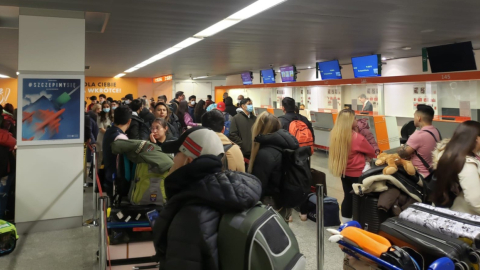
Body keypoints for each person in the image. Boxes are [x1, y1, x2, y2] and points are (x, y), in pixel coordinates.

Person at [152, 127, 261, 270]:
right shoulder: (229, 195)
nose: (173, 160)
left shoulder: (189, 216)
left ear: (188, 160)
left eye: (176, 154)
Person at [248, 112, 299, 222]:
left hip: (270, 203)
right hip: (283, 201)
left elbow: (258, 185)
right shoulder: (285, 145)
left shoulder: (265, 153)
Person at [328, 109, 375, 224]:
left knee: (347, 197)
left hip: (344, 172)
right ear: (349, 121)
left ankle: (346, 223)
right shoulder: (357, 138)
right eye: (354, 118)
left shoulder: (335, 135)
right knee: (359, 200)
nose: (356, 120)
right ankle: (358, 224)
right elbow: (372, 153)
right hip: (358, 174)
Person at [431, 121, 480, 214]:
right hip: (463, 213)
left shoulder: (448, 152)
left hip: (446, 207)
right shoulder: (467, 164)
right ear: (476, 139)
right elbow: (476, 203)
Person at [398, 105, 440, 177]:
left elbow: (403, 154)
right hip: (432, 173)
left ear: (419, 118)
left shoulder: (418, 135)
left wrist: (400, 149)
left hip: (419, 175)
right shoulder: (436, 131)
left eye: (414, 116)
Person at [103, 105, 131, 197]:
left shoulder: (109, 131)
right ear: (129, 121)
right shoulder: (121, 138)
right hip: (117, 181)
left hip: (109, 175)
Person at [97, 102, 114, 166]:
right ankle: (99, 173)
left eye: (107, 107)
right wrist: (110, 133)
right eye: (104, 107)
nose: (106, 108)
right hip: (102, 138)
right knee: (101, 158)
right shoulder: (100, 115)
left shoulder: (112, 115)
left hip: (111, 138)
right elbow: (101, 128)